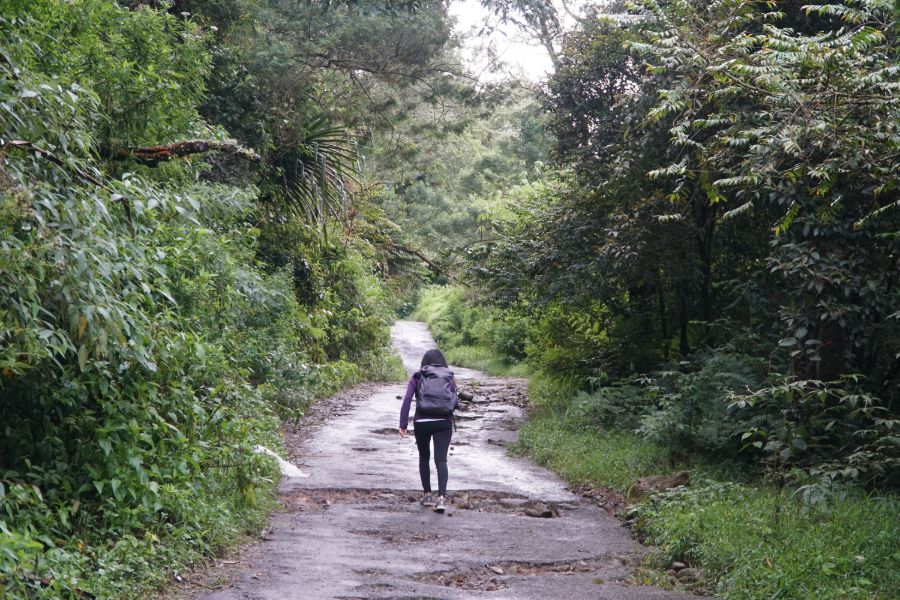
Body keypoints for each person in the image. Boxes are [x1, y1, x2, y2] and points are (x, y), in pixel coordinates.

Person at [399, 348, 458, 513]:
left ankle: (427, 496)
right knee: (441, 461)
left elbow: (407, 399)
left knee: (424, 457)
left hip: (422, 421)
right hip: (443, 422)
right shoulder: (449, 376)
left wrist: (403, 423)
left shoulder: (418, 376)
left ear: (425, 361)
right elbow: (455, 401)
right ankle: (441, 499)